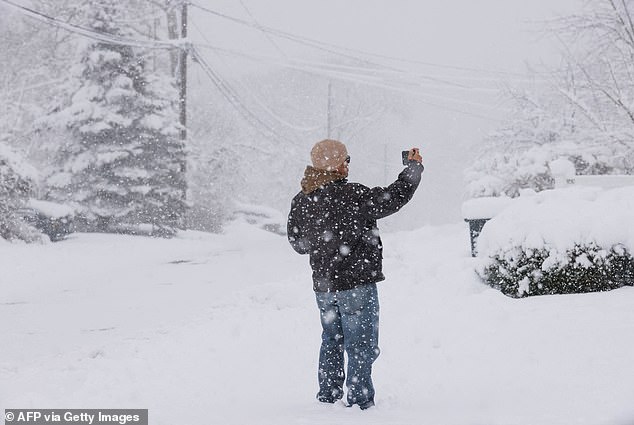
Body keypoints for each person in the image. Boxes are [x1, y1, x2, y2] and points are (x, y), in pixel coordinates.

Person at [286, 139, 424, 410]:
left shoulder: (302, 200)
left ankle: (328, 396)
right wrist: (413, 168)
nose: (348, 165)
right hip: (356, 284)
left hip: (324, 287)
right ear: (335, 165)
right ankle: (360, 401)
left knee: (332, 339)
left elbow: (297, 244)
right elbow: (394, 198)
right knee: (361, 344)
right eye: (346, 160)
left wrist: (323, 243)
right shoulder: (353, 195)